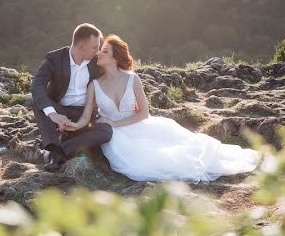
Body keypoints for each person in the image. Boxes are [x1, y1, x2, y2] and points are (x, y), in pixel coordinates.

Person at [65, 35, 261, 182]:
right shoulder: (94, 85)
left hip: (139, 125)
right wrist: (72, 126)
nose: (98, 53)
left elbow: (144, 113)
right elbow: (84, 118)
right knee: (139, 166)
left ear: (115, 57)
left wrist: (116, 122)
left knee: (182, 150)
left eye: (104, 51)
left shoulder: (133, 79)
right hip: (116, 136)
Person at [31, 23, 113, 172]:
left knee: (106, 131)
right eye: (95, 47)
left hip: (87, 113)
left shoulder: (97, 62)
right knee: (38, 103)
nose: (98, 51)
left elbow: (117, 74)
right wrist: (53, 114)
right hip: (61, 109)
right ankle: (54, 150)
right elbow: (37, 85)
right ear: (82, 46)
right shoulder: (54, 59)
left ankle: (62, 150)